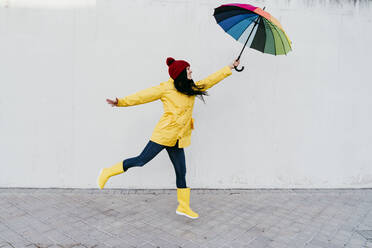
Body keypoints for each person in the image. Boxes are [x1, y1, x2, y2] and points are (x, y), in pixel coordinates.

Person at [98, 57, 240, 219]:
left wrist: (230, 67)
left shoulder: (189, 87)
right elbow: (143, 96)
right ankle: (107, 172)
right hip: (164, 135)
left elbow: (209, 81)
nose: (191, 71)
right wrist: (121, 102)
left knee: (181, 172)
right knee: (141, 161)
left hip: (179, 137)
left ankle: (183, 206)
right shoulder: (166, 88)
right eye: (188, 69)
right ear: (180, 73)